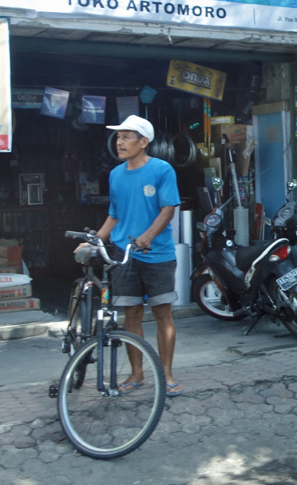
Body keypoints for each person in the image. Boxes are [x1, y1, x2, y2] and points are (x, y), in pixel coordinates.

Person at [89, 115, 182, 397]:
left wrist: (148, 237)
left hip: (158, 254)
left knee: (163, 314)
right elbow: (114, 215)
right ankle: (137, 374)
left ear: (144, 142)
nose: (119, 142)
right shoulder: (116, 175)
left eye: (127, 136)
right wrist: (95, 241)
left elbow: (168, 209)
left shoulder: (162, 170)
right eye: (118, 137)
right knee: (131, 315)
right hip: (125, 255)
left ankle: (165, 375)